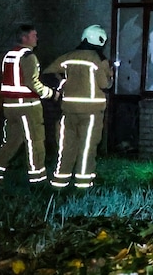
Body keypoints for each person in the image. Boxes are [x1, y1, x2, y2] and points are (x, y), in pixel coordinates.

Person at [0, 24, 57, 186]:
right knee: (35, 141)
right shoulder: (28, 57)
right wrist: (52, 94)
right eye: (34, 35)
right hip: (28, 106)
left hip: (10, 106)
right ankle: (38, 180)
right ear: (24, 38)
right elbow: (32, 82)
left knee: (11, 142)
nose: (36, 38)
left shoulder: (9, 55)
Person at [44, 25, 113, 190]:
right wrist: (111, 75)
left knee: (66, 147)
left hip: (68, 110)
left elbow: (48, 73)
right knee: (87, 147)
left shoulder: (68, 57)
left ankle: (59, 184)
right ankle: (83, 186)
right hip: (91, 113)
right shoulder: (98, 59)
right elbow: (105, 84)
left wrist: (61, 85)